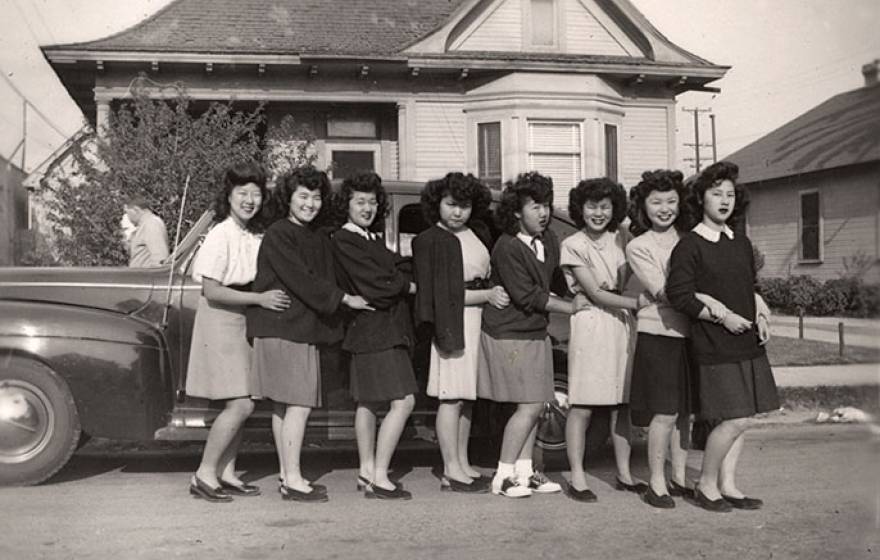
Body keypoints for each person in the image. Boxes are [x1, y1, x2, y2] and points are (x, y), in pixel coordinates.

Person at [247, 166, 373, 503]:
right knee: (299, 405)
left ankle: (288, 475)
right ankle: (293, 479)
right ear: (288, 198)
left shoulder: (317, 234)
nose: (311, 203)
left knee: (284, 408)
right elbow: (302, 279)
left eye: (317, 197)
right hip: (287, 329)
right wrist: (345, 299)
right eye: (303, 196)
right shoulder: (280, 233)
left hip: (289, 328)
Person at [667, 161, 778, 513]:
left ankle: (728, 484)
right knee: (735, 417)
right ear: (701, 199)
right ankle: (706, 484)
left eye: (730, 194)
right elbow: (680, 295)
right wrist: (722, 316)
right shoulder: (690, 246)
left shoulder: (740, 242)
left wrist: (759, 309)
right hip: (714, 343)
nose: (725, 200)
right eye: (716, 193)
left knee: (744, 417)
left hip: (747, 340)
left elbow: (748, 285)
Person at [186, 161, 291, 502]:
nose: (249, 200)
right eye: (242, 193)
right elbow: (212, 290)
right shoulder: (221, 233)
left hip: (242, 318)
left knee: (244, 400)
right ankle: (204, 473)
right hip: (221, 318)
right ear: (228, 196)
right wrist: (260, 298)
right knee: (241, 405)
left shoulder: (252, 233)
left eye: (256, 194)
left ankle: (227, 473)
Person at [478, 172, 570, 498]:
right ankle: (502, 476)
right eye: (534, 206)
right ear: (517, 211)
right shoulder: (506, 246)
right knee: (529, 406)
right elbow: (527, 295)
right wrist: (572, 308)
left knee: (536, 402)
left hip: (534, 331)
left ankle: (525, 471)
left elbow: (555, 280)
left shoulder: (548, 241)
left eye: (546, 205)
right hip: (509, 333)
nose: (543, 213)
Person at [412, 172, 505, 493]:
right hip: (453, 321)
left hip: (477, 319)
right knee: (451, 398)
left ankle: (462, 461)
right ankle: (450, 468)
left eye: (463, 206)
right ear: (437, 204)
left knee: (467, 398)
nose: (457, 213)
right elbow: (440, 295)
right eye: (451, 205)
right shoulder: (429, 240)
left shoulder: (475, 232)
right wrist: (488, 295)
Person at [560, 177, 648, 503]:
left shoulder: (623, 237)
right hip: (592, 324)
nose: (598, 213)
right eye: (592, 206)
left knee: (621, 404)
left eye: (605, 206)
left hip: (622, 325)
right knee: (582, 404)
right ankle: (578, 477)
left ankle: (624, 473)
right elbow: (595, 292)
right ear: (580, 209)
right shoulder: (573, 244)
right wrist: (636, 304)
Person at [331, 173, 418, 501]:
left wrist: (394, 277)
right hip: (376, 330)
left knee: (368, 402)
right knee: (404, 401)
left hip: (373, 330)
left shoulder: (369, 238)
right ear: (347, 205)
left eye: (372, 201)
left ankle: (367, 470)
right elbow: (377, 286)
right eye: (360, 202)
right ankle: (380, 475)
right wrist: (404, 285)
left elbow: (395, 269)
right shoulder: (345, 239)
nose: (367, 208)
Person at [625, 169, 699, 509]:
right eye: (656, 202)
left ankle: (679, 478)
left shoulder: (691, 237)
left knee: (685, 412)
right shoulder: (638, 246)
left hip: (692, 332)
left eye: (671, 201)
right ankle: (656, 482)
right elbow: (664, 292)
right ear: (644, 206)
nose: (665, 208)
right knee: (665, 412)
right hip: (659, 332)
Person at [124, 195, 170, 267]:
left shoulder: (151, 223)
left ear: (136, 210)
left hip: (147, 277)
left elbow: (160, 259)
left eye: (127, 212)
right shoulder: (145, 225)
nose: (127, 217)